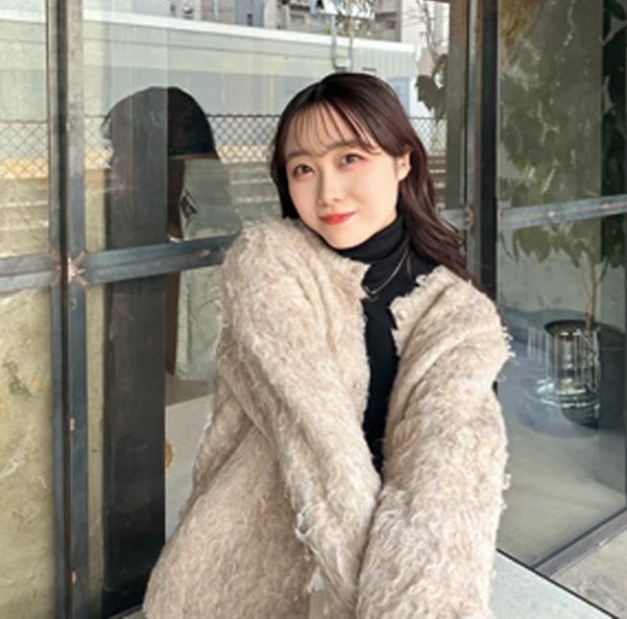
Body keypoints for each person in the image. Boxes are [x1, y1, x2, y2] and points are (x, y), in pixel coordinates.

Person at [143, 72, 511, 619]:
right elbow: (320, 448)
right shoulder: (270, 262)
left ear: (404, 161)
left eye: (350, 159)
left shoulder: (459, 314)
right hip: (241, 580)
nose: (327, 192)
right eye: (303, 169)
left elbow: (442, 476)